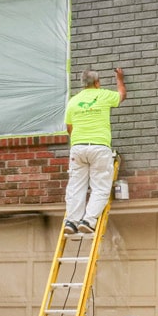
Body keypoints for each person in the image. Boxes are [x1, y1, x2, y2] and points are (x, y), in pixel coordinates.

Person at [63, 67, 126, 234]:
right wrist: (119, 79)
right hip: (99, 146)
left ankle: (72, 221)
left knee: (76, 186)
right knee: (100, 186)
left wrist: (79, 140)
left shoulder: (73, 101)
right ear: (97, 83)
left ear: (83, 84)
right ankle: (88, 220)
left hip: (78, 147)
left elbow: (69, 127)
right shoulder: (104, 95)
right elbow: (121, 96)